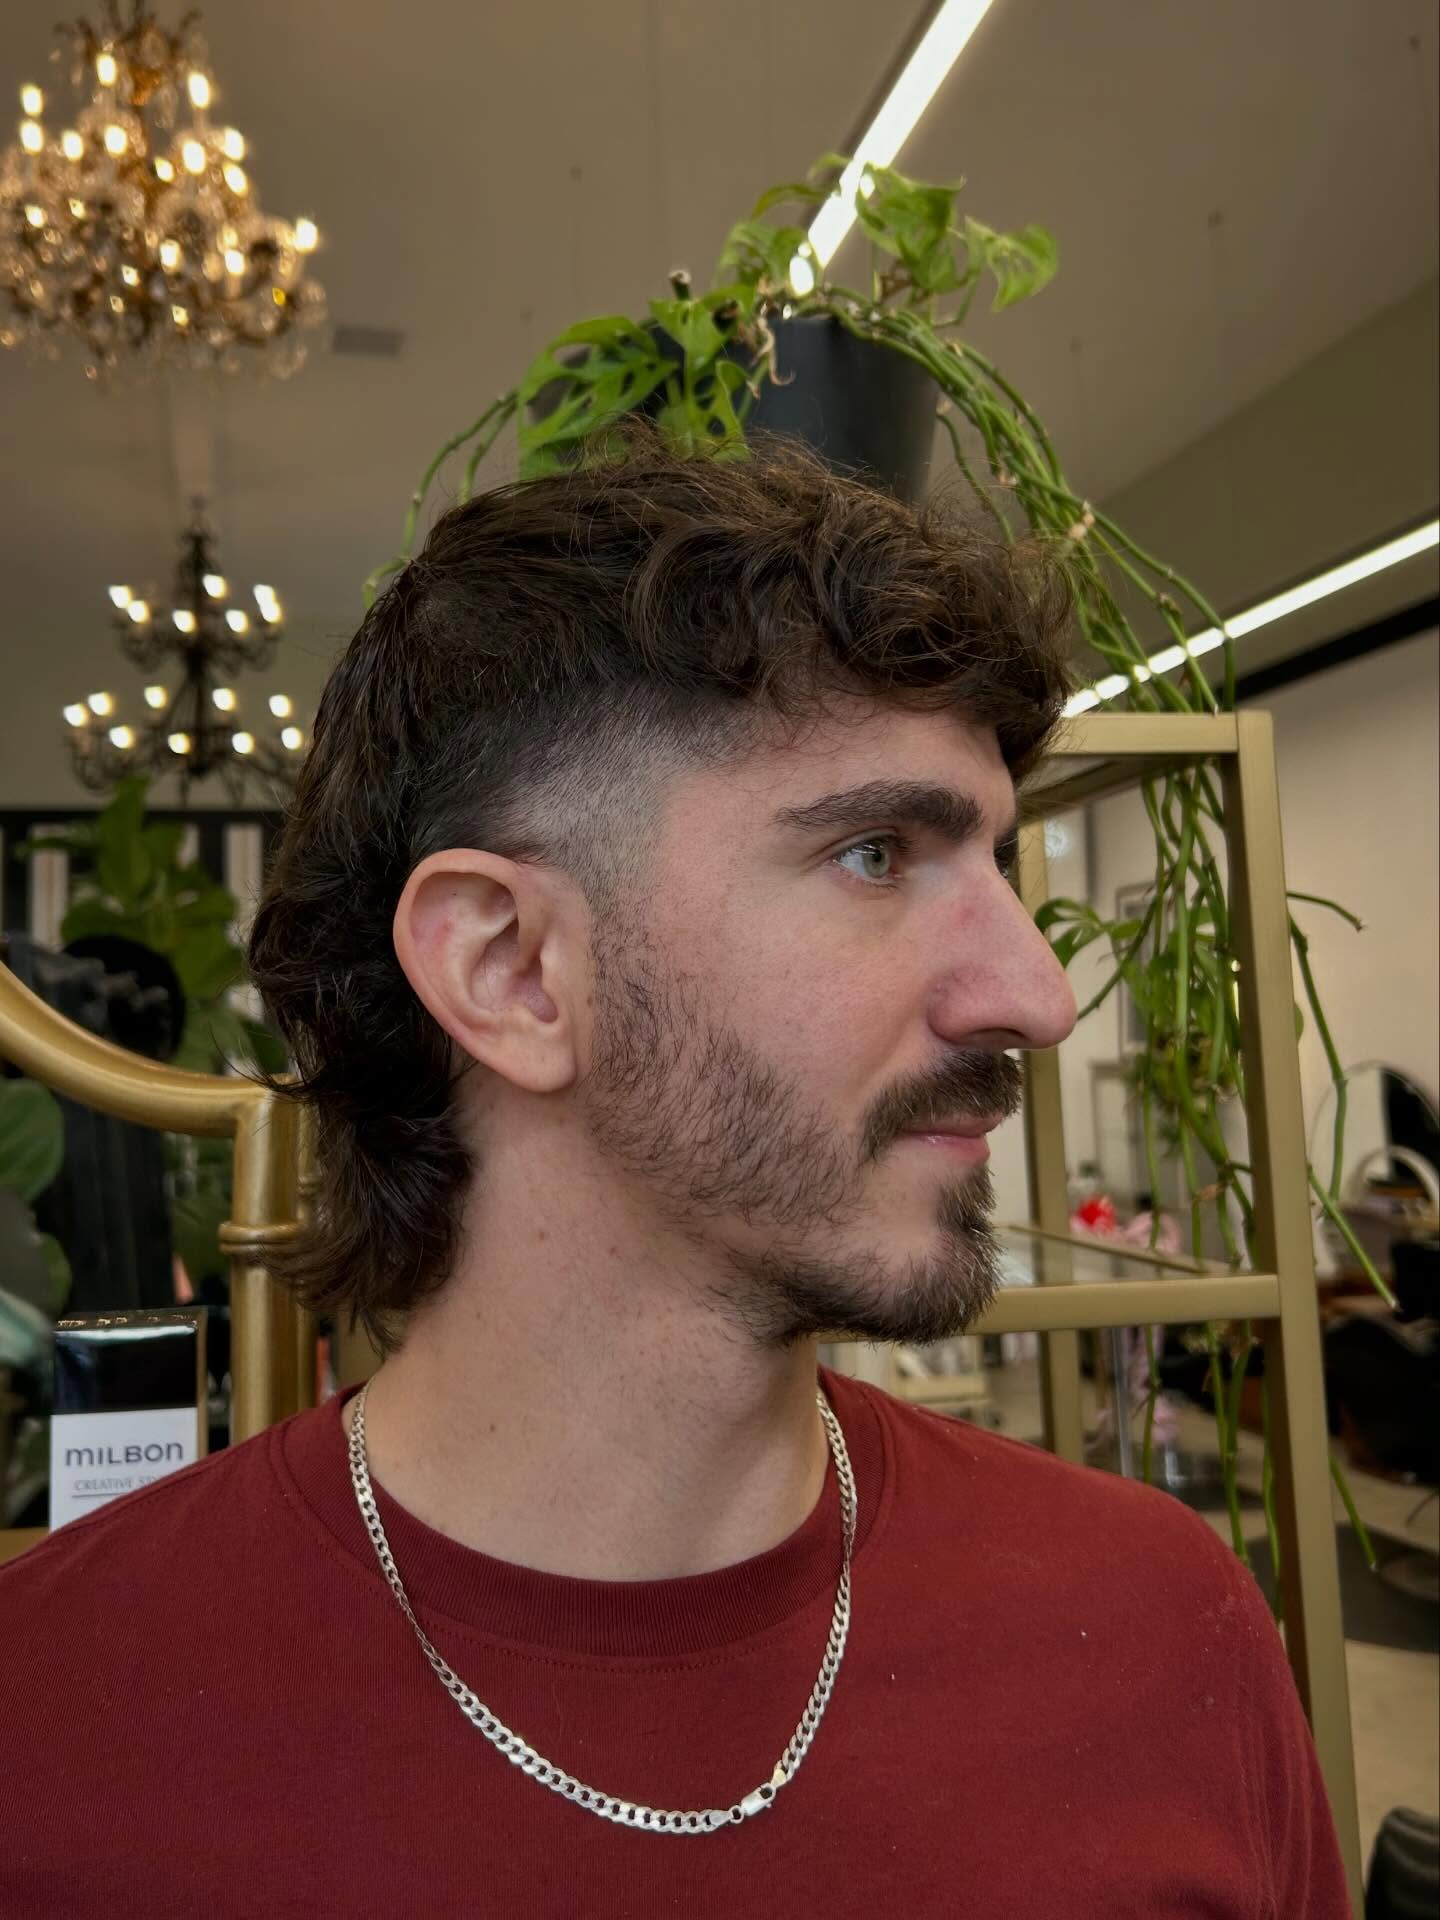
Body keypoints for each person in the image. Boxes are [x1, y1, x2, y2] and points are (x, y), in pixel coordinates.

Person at [2, 445, 1350, 1918]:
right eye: (876, 853)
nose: (1037, 995)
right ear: (510, 968)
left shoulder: (1161, 1627)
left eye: (1000, 863)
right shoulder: (55, 1730)